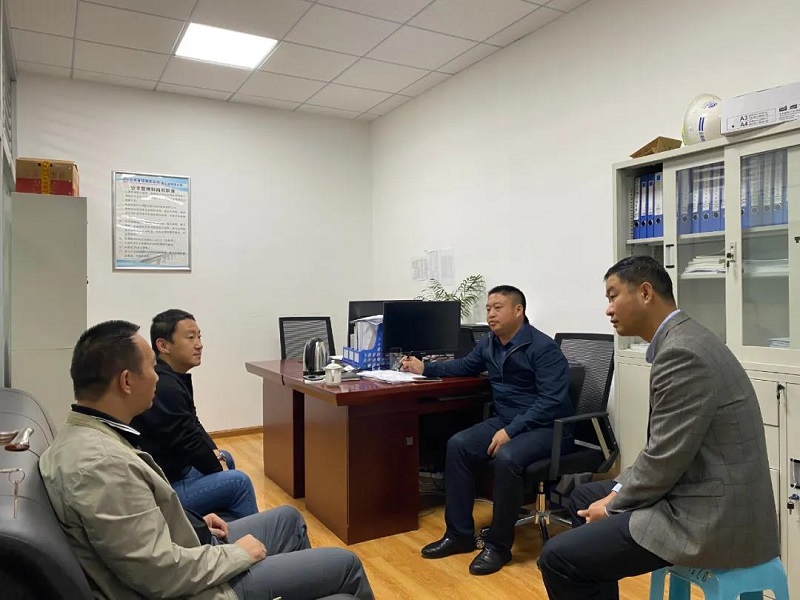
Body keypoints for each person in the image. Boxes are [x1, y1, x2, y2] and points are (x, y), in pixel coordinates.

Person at [40, 320, 374, 600]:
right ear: (126, 381)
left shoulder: (89, 435)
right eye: (151, 368)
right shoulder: (99, 465)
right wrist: (238, 554)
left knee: (288, 518)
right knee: (346, 565)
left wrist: (192, 521)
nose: (157, 376)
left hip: (189, 552)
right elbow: (159, 575)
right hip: (199, 588)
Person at [537, 256, 779, 599]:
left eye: (612, 296)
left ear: (646, 293)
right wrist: (614, 495)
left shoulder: (682, 353)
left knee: (558, 558)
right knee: (582, 497)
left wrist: (612, 505)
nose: (608, 309)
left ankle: (585, 565)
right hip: (695, 487)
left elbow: (664, 460)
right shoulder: (684, 339)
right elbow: (662, 452)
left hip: (711, 516)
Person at [401, 285, 573, 575]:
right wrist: (425, 368)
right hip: (508, 420)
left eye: (498, 308)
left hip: (548, 427)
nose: (491, 314)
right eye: (489, 308)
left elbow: (551, 402)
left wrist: (511, 431)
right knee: (458, 445)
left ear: (518, 311)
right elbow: (464, 366)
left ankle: (498, 546)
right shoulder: (489, 343)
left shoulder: (543, 348)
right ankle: (459, 535)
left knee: (507, 457)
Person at [131, 309, 258, 520]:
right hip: (165, 490)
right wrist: (219, 468)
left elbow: (193, 425)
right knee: (239, 482)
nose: (199, 344)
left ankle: (224, 528)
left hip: (174, 472)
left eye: (199, 337)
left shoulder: (171, 378)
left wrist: (216, 455)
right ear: (163, 345)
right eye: (190, 338)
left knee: (225, 457)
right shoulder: (164, 386)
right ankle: (246, 535)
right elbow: (189, 441)